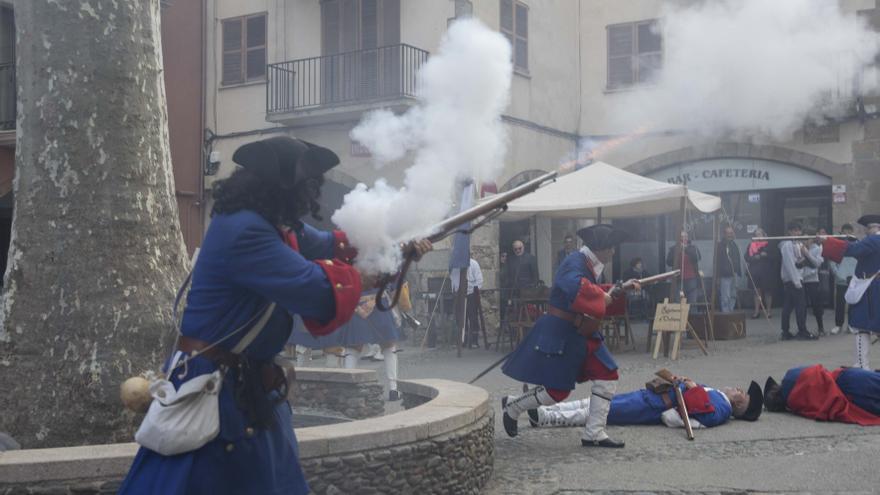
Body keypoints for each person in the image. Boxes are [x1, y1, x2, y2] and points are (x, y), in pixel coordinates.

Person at [118, 136, 432, 495]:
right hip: (215, 386)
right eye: (305, 186)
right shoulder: (247, 231)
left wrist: (396, 246)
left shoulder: (271, 225)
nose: (309, 196)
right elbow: (313, 289)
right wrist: (372, 276)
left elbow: (332, 244)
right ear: (284, 188)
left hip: (244, 385)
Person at [500, 224, 640, 448]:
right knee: (557, 391)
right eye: (611, 247)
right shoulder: (574, 262)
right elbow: (575, 287)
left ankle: (594, 433)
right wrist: (604, 296)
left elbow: (595, 292)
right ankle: (514, 407)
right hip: (562, 331)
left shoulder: (588, 263)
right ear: (600, 248)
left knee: (607, 374)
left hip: (583, 330)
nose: (613, 252)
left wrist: (619, 289)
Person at [529, 375, 763, 429]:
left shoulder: (721, 410)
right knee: (597, 401)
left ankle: (549, 418)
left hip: (652, 406)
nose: (739, 388)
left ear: (739, 405)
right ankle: (548, 409)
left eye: (743, 394)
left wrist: (687, 391)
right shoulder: (720, 400)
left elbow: (688, 419)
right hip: (651, 398)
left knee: (599, 410)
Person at [819, 214, 880, 369]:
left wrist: (828, 241)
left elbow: (853, 249)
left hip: (871, 288)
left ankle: (861, 365)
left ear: (873, 227)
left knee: (861, 327)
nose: (865, 232)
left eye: (867, 229)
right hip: (872, 286)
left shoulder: (874, 239)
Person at [339, 289, 406, 401]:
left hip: (355, 303)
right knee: (389, 346)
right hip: (379, 303)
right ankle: (393, 389)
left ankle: (348, 388)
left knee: (353, 348)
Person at [764, 364, 880, 425]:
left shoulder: (794, 406)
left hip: (850, 398)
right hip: (847, 378)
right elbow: (818, 370)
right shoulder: (790, 375)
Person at [779, 221, 816, 341]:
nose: (797, 232)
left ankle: (785, 332)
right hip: (792, 280)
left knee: (788, 306)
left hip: (797, 278)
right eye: (794, 230)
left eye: (799, 230)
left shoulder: (798, 244)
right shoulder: (787, 245)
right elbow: (790, 264)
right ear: (789, 232)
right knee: (800, 306)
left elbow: (802, 262)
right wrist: (796, 281)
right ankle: (801, 330)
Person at [451, 257, 485, 348]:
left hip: (472, 293)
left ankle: (474, 340)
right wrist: (455, 290)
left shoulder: (473, 263)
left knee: (473, 316)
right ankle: (463, 340)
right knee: (461, 318)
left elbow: (479, 279)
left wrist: (475, 290)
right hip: (460, 294)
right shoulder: (456, 265)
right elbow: (454, 279)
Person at [829, 224, 857, 335]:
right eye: (845, 232)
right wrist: (837, 273)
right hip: (841, 278)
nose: (847, 234)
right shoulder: (838, 245)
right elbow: (832, 261)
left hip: (853, 278)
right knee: (840, 302)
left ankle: (851, 325)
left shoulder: (857, 244)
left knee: (852, 303)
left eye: (849, 231)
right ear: (842, 232)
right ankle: (838, 325)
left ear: (852, 232)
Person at [745, 227, 774, 318]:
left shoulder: (768, 245)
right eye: (756, 234)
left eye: (760, 234)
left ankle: (768, 312)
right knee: (756, 293)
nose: (758, 236)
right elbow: (746, 257)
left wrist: (766, 255)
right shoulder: (751, 245)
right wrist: (754, 258)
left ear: (764, 235)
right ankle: (756, 312)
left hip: (766, 273)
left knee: (768, 293)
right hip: (755, 272)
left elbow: (775, 257)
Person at [666, 231, 701, 306]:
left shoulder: (692, 247)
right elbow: (668, 262)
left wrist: (685, 249)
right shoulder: (674, 248)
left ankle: (693, 317)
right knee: (678, 300)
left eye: (685, 236)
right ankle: (679, 317)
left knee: (692, 300)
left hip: (691, 277)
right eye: (682, 237)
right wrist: (677, 250)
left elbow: (698, 258)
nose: (684, 238)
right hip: (678, 278)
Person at [801, 228, 825, 335]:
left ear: (812, 239)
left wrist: (807, 254)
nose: (806, 241)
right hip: (801, 280)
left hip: (812, 281)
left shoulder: (817, 248)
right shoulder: (799, 248)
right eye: (803, 239)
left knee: (816, 305)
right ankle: (803, 329)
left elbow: (817, 264)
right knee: (802, 306)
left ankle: (821, 328)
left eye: (807, 239)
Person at [716, 225, 742, 313]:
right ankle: (725, 314)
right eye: (728, 233)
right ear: (724, 234)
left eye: (731, 233)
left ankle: (730, 312)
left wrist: (739, 272)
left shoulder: (734, 244)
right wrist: (718, 277)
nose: (730, 235)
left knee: (733, 295)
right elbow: (718, 262)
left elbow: (737, 259)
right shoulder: (721, 245)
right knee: (725, 296)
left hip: (735, 274)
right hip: (725, 274)